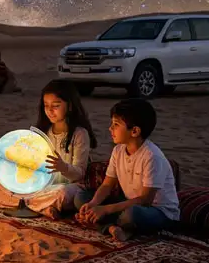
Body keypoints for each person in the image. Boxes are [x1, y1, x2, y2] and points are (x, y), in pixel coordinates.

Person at [75, 98, 179, 242]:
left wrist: (105, 209)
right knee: (81, 198)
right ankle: (112, 228)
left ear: (135, 131)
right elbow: (106, 185)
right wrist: (93, 204)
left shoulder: (152, 156)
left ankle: (108, 225)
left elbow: (145, 200)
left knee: (131, 215)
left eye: (116, 125)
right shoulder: (118, 150)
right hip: (129, 202)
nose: (110, 129)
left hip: (157, 211)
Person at [0, 79, 97, 218]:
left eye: (56, 105)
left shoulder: (79, 134)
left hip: (68, 184)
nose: (50, 111)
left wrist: (63, 167)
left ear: (70, 106)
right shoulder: (42, 132)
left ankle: (26, 204)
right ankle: (42, 208)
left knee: (62, 194)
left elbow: (80, 174)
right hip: (43, 185)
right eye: (46, 105)